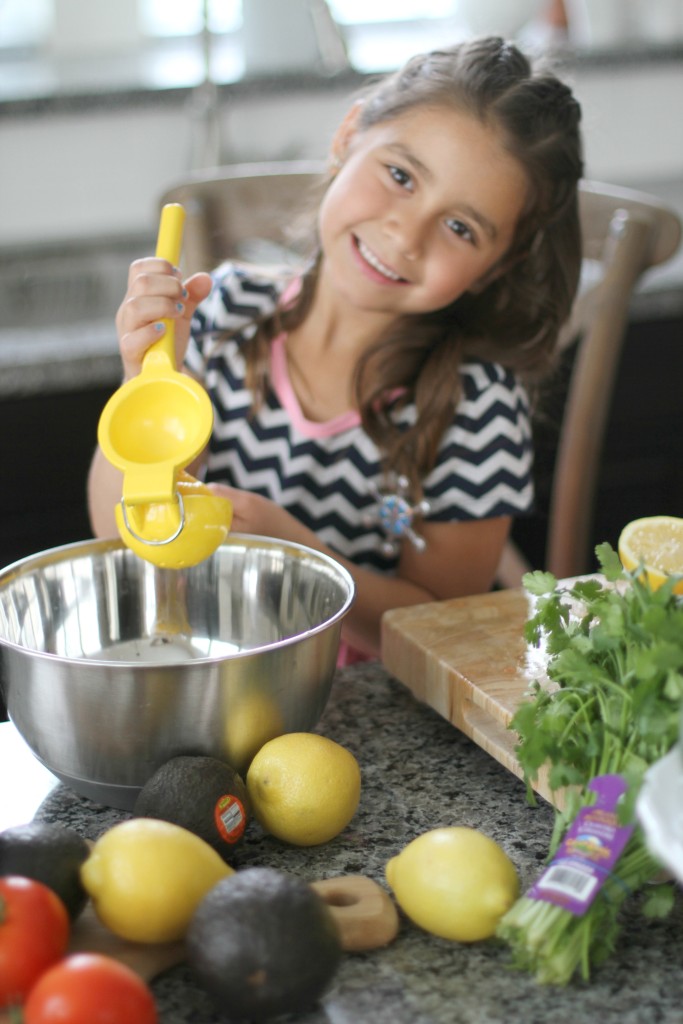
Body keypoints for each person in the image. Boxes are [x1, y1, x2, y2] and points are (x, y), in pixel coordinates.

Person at [88, 36, 584, 663]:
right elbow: (118, 534)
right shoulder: (220, 316)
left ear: (496, 264)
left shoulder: (477, 408)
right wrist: (143, 384)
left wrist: (301, 559)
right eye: (401, 176)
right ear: (348, 136)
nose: (407, 234)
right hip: (197, 668)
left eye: (460, 227)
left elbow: (441, 632)